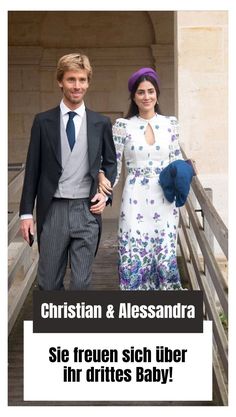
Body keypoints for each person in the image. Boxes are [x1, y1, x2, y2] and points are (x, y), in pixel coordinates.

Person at [19, 53, 117, 290]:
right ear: (60, 81)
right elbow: (32, 168)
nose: (77, 86)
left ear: (88, 82)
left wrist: (105, 195)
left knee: (82, 284)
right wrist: (25, 214)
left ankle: (76, 327)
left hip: (87, 210)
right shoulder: (43, 122)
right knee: (49, 284)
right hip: (54, 210)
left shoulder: (100, 123)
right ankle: (55, 327)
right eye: (71, 79)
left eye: (82, 80)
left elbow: (111, 163)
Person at [99, 67, 185, 290]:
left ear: (157, 93)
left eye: (150, 91)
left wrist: (187, 172)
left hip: (164, 200)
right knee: (133, 252)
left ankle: (166, 316)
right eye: (141, 92)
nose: (146, 96)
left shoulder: (170, 124)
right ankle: (136, 314)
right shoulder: (123, 126)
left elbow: (176, 161)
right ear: (133, 97)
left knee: (164, 255)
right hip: (135, 199)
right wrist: (102, 189)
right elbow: (114, 166)